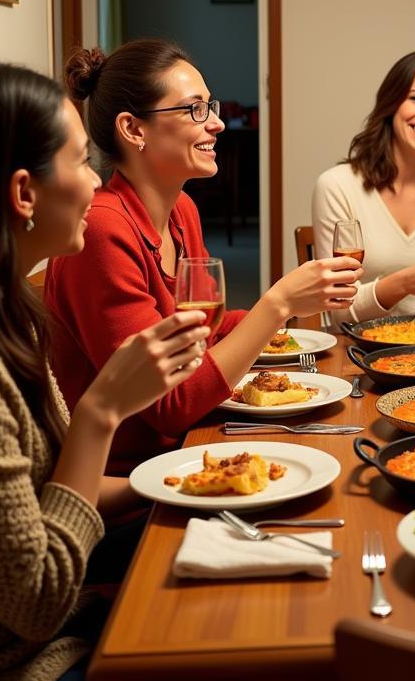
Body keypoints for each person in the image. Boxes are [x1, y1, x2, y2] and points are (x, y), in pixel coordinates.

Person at [0, 62, 210, 681]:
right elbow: (36, 600)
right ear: (23, 192)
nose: (98, 183)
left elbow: (48, 495)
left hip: (56, 626)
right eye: (80, 162)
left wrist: (179, 488)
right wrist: (102, 410)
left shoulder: (11, 309)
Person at [45, 41, 362, 474]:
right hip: (135, 489)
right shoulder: (103, 229)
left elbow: (205, 334)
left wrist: (291, 308)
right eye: (195, 109)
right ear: (133, 129)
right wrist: (278, 304)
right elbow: (170, 406)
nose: (216, 123)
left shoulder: (182, 212)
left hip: (194, 449)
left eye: (209, 106)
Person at [312, 49, 415, 325]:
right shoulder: (337, 186)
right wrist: (403, 284)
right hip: (355, 352)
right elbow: (339, 313)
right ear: (392, 104)